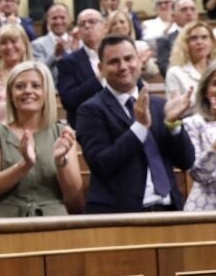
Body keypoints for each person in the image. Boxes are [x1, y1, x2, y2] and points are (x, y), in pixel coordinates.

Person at [76, 35, 195, 213]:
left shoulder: (160, 106)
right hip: (120, 215)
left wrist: (173, 125)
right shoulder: (91, 110)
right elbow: (102, 165)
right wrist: (139, 128)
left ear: (139, 61)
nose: (123, 66)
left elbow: (186, 161)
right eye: (114, 62)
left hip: (168, 210)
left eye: (128, 58)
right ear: (101, 68)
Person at [0, 61, 82, 217]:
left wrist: (61, 161)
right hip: (5, 220)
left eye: (36, 86)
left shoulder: (63, 134)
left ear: (46, 93)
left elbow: (74, 195)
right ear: (11, 95)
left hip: (53, 220)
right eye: (20, 86)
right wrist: (24, 165)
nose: (28, 91)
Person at [57, 9, 109, 128]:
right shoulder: (68, 62)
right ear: (79, 32)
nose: (87, 26)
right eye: (82, 24)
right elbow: (69, 100)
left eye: (92, 22)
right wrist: (99, 78)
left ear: (105, 27)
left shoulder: (118, 55)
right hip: (87, 126)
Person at [0, 24, 32, 127]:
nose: (9, 47)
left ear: (25, 45)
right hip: (1, 132)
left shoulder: (37, 73)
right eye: (3, 43)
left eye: (14, 41)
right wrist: (21, 100)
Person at [183, 62, 216, 211]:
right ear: (205, 91)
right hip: (205, 210)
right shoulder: (193, 124)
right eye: (215, 84)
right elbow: (199, 174)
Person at [166, 22, 215, 98]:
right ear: (185, 43)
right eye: (194, 38)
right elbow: (174, 103)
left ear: (212, 42)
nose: (199, 42)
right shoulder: (175, 72)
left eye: (204, 37)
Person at [30, 3, 74, 80]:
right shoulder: (37, 44)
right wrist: (55, 55)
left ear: (69, 19)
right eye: (54, 18)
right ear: (48, 20)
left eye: (62, 17)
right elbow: (39, 71)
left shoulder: (78, 42)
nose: (58, 22)